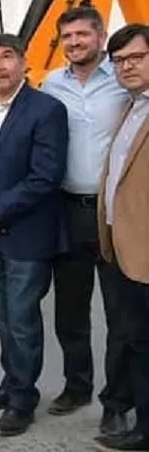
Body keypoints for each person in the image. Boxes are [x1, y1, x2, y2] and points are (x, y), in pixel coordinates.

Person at [0, 33, 68, 438]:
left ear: (24, 62)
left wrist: (1, 210)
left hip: (23, 230)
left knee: (22, 318)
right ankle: (11, 384)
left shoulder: (46, 110)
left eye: (7, 57)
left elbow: (46, 175)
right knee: (0, 315)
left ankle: (23, 400)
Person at [40, 7, 134, 432]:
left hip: (112, 214)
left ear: (101, 36)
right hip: (65, 210)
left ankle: (116, 400)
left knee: (120, 314)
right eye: (67, 36)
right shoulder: (51, 83)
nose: (74, 42)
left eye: (82, 34)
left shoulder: (124, 82)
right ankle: (77, 385)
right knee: (70, 310)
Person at [94, 23, 149, 452]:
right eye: (119, 61)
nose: (126, 67)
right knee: (134, 338)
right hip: (121, 246)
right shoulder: (133, 108)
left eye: (135, 58)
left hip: (145, 251)